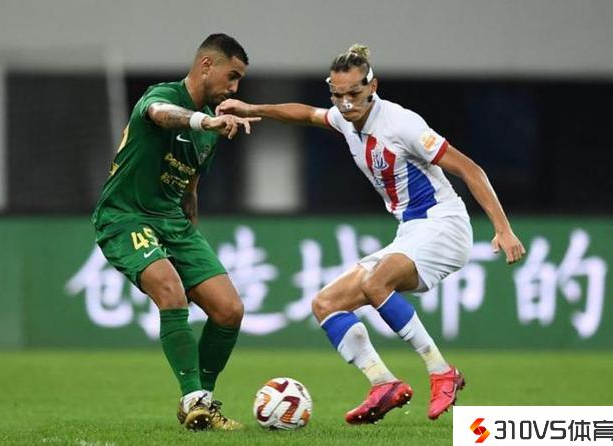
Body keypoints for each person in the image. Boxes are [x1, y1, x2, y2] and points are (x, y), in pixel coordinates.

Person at [218, 44, 526, 424]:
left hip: (444, 224)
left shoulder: (401, 124)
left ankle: (441, 371)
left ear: (373, 86)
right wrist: (252, 108)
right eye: (338, 95)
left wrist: (503, 229)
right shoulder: (345, 117)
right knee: (326, 304)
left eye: (354, 93)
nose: (346, 103)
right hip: (411, 231)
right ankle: (383, 383)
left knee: (377, 282)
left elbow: (471, 169)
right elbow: (308, 114)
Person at [91, 33, 260, 431]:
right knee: (170, 291)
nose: (235, 88)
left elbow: (189, 188)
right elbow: (161, 114)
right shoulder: (162, 96)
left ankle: (202, 403)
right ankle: (193, 397)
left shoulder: (209, 130)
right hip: (125, 216)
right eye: (232, 76)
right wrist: (205, 120)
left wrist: (191, 249)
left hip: (174, 224)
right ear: (206, 65)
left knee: (229, 311)